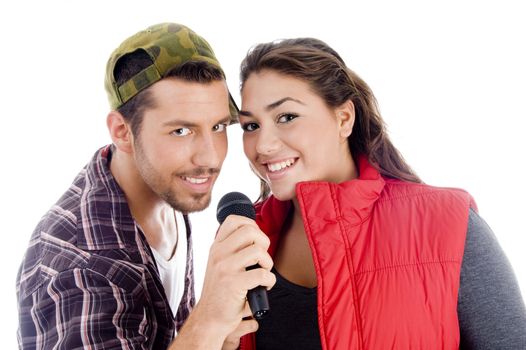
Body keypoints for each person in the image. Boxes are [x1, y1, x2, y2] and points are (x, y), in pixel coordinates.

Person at [236, 38, 526, 349]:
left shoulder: (448, 224)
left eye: (287, 117)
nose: (263, 145)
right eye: (251, 126)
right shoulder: (246, 240)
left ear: (344, 118)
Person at [16, 23, 275, 350]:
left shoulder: (167, 186)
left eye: (219, 125)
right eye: (181, 131)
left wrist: (221, 337)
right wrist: (208, 318)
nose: (210, 156)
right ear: (122, 132)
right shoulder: (75, 270)